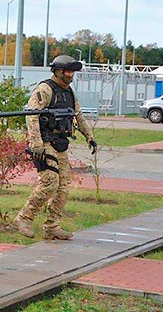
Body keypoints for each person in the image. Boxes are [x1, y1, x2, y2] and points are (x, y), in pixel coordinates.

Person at [14, 55, 97, 240]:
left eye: (72, 71)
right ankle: (23, 218)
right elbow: (31, 115)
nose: (70, 75)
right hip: (44, 143)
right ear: (57, 71)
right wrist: (36, 144)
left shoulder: (69, 93)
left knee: (63, 187)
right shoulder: (45, 89)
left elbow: (78, 116)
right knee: (50, 182)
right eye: (67, 71)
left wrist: (90, 136)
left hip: (60, 144)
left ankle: (52, 226)